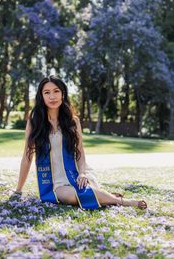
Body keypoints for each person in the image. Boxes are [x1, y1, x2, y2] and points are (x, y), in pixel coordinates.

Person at [16, 75, 147, 210]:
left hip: (77, 173)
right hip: (55, 182)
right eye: (47, 92)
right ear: (41, 96)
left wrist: (83, 173)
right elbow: (27, 156)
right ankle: (114, 199)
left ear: (63, 94)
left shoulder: (73, 122)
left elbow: (79, 151)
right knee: (73, 197)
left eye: (56, 91)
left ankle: (119, 200)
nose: (52, 97)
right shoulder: (35, 123)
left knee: (82, 190)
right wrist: (18, 190)